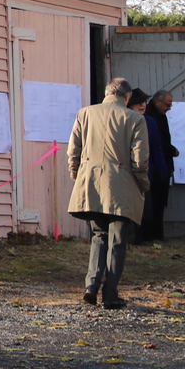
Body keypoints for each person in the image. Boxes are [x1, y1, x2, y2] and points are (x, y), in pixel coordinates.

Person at [66, 77, 149, 309]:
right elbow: (139, 159)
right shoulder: (135, 119)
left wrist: (77, 173)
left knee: (98, 235)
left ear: (107, 93)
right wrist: (143, 184)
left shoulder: (85, 113)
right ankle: (110, 293)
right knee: (118, 240)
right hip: (122, 185)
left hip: (90, 183)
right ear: (127, 96)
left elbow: (73, 149)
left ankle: (91, 285)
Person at [130, 89, 169, 243]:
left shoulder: (150, 122)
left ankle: (144, 237)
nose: (142, 105)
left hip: (146, 171)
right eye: (138, 103)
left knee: (146, 207)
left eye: (144, 102)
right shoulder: (124, 121)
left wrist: (162, 168)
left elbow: (156, 147)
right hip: (127, 171)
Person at [144, 91, 179, 240]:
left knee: (160, 201)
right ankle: (149, 234)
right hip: (153, 166)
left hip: (163, 164)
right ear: (158, 102)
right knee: (152, 202)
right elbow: (158, 143)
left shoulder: (161, 116)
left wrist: (169, 165)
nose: (169, 108)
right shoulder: (150, 117)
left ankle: (158, 233)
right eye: (167, 105)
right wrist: (172, 150)